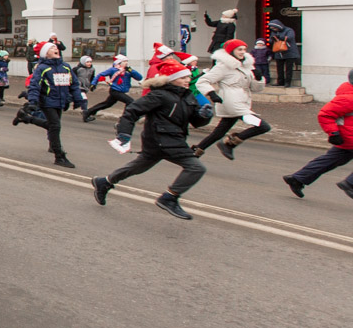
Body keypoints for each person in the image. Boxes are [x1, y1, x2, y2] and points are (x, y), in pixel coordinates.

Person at [91, 60, 214, 221]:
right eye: (183, 77)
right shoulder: (159, 95)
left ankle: (104, 182)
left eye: (188, 77)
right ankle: (169, 197)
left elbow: (196, 122)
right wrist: (124, 133)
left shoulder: (187, 96)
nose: (187, 80)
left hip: (171, 139)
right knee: (196, 168)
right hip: (161, 140)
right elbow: (132, 111)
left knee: (138, 166)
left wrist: (204, 116)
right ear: (171, 78)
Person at [194, 39, 271, 160]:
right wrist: (211, 93)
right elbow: (202, 81)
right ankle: (230, 144)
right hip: (231, 103)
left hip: (243, 102)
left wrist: (259, 78)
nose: (242, 52)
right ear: (231, 51)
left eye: (244, 49)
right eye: (239, 49)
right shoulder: (223, 66)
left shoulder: (247, 66)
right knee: (263, 126)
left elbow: (256, 89)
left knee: (219, 132)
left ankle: (196, 151)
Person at [283, 69, 353, 200]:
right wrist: (333, 133)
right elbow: (325, 114)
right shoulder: (348, 98)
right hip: (347, 136)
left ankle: (298, 179)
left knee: (332, 159)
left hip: (346, 136)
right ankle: (350, 184)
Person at [24, 41, 87, 168]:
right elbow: (35, 85)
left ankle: (27, 118)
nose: (56, 48)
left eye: (55, 47)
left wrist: (77, 98)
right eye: (52, 47)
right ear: (46, 53)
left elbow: (74, 84)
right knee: (55, 126)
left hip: (61, 101)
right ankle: (59, 156)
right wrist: (33, 101)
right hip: (47, 101)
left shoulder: (66, 67)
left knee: (53, 125)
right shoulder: (42, 68)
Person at [83, 54, 143, 122]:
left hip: (121, 91)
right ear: (119, 62)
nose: (126, 63)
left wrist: (131, 70)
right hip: (115, 90)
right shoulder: (113, 70)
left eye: (127, 61)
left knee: (107, 104)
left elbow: (139, 77)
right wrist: (93, 83)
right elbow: (100, 75)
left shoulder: (128, 71)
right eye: (124, 61)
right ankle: (124, 119)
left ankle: (88, 112)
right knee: (130, 101)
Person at [267, 19, 300, 87]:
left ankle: (288, 82)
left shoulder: (288, 30)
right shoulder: (274, 32)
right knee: (279, 68)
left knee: (288, 68)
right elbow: (270, 40)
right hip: (279, 52)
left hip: (289, 52)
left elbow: (290, 37)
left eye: (275, 28)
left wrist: (279, 37)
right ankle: (280, 81)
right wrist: (272, 39)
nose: (274, 29)